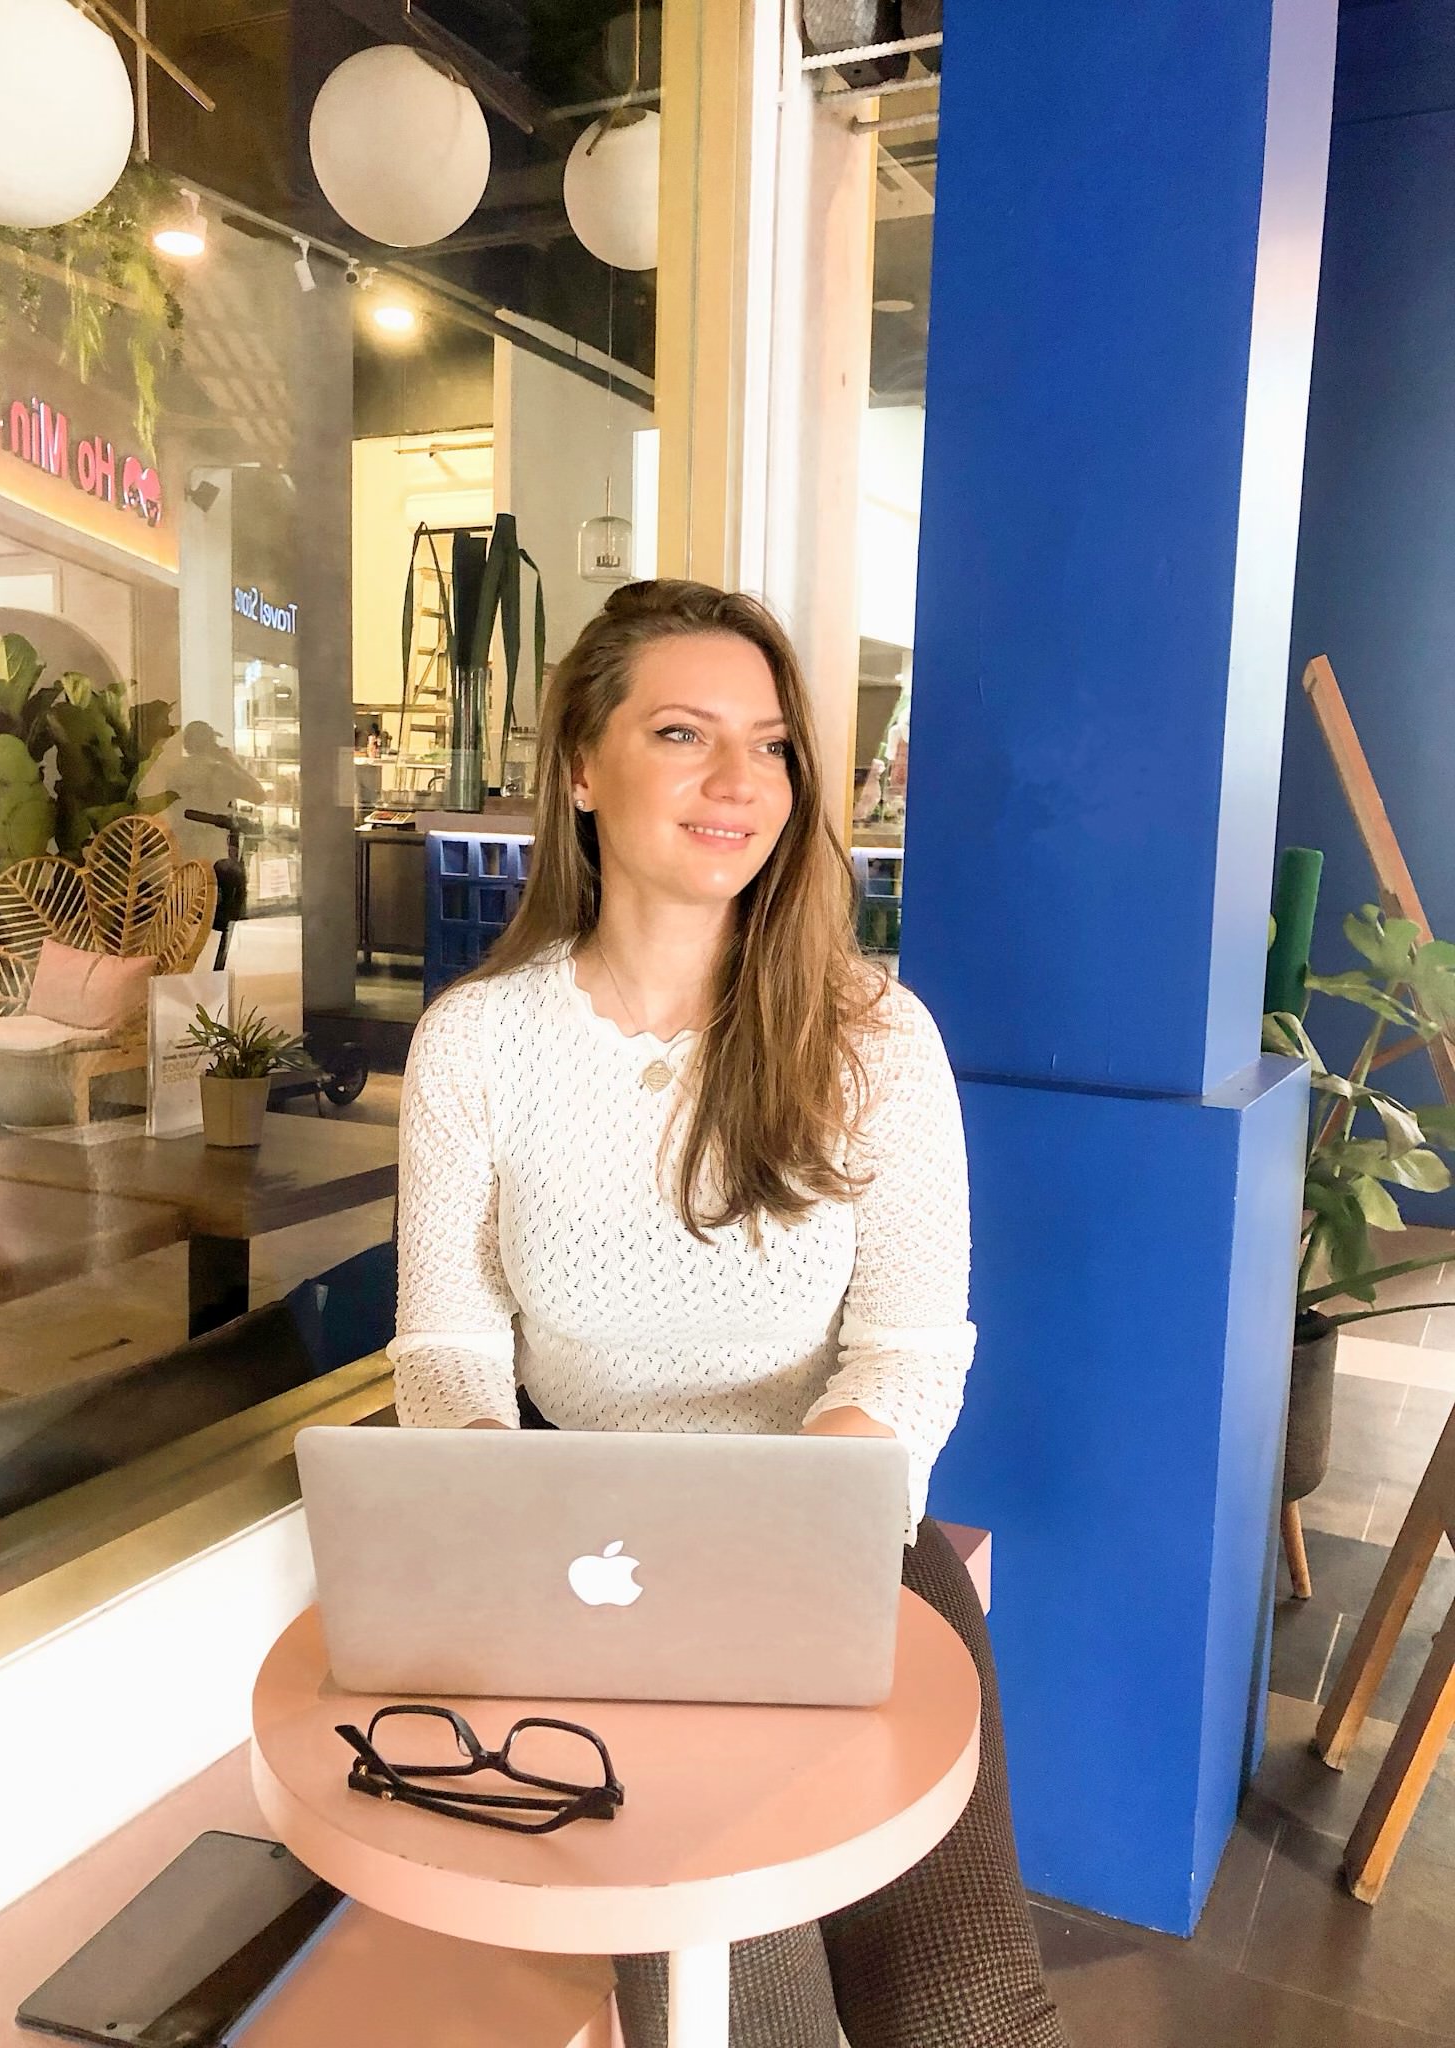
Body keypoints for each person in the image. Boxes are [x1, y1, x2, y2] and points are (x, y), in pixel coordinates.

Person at [388, 579, 1069, 2048]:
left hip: (846, 1548)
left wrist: (786, 1543)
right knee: (737, 2022)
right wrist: (494, 1520)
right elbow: (448, 1346)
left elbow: (907, 1344)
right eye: (684, 731)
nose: (737, 781)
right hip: (593, 1581)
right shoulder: (477, 1045)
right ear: (581, 763)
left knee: (966, 2020)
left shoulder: (873, 1035)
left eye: (768, 745)